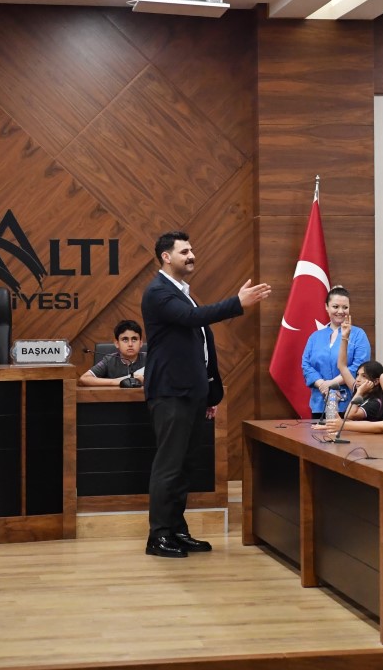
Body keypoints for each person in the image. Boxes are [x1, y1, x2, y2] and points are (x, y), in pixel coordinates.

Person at [141, 231, 271, 559]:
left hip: (191, 394)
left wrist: (211, 393)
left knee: (184, 467)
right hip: (170, 392)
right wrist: (236, 304)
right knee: (169, 466)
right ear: (166, 257)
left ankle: (176, 530)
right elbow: (193, 319)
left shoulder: (183, 293)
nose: (192, 255)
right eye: (184, 251)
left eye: (192, 250)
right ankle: (158, 536)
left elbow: (201, 344)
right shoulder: (158, 292)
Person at [301, 286, 370, 417]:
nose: (340, 311)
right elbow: (306, 365)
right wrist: (322, 385)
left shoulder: (358, 334)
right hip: (319, 403)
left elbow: (359, 366)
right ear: (326, 307)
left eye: (345, 307)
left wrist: (332, 384)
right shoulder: (315, 336)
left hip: (349, 405)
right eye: (335, 306)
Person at [79, 320, 146, 386]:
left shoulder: (149, 359)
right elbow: (84, 378)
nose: (130, 344)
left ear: (141, 343)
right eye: (125, 340)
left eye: (134, 339)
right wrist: (121, 381)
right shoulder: (109, 360)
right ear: (117, 343)